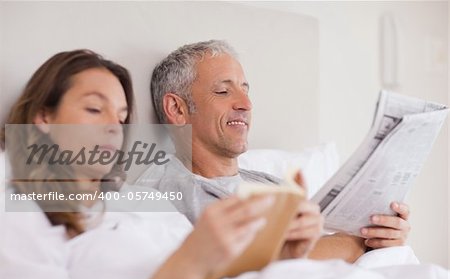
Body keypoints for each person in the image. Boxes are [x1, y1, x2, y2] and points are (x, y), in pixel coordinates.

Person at [0, 49, 323, 279]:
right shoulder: (21, 213)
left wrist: (284, 258)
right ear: (43, 118)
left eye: (122, 116)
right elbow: (193, 271)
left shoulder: (143, 200)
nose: (114, 126)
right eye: (95, 109)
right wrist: (193, 258)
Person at [140, 40, 411, 262]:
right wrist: (358, 245)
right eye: (223, 91)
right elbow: (260, 261)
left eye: (246, 91)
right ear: (177, 109)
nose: (246, 103)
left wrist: (382, 237)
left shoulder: (268, 182)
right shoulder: (170, 192)